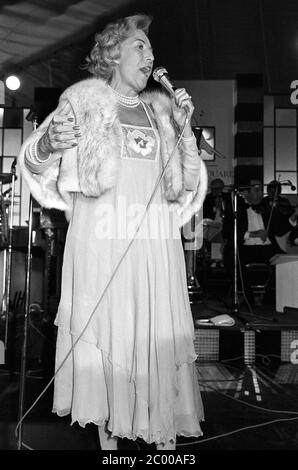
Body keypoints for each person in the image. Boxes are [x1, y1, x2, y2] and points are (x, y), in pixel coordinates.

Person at [18, 14, 208, 450]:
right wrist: (47, 145)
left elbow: (186, 179)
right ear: (113, 53)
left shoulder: (160, 113)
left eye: (151, 49)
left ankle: (163, 440)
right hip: (102, 247)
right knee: (111, 334)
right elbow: (33, 164)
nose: (150, 54)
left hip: (155, 249)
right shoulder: (82, 106)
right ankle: (110, 446)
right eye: (140, 46)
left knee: (155, 336)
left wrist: (183, 129)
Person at [222, 179, 298, 304]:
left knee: (286, 261)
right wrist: (253, 234)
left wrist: (294, 216)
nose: (261, 194)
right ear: (245, 192)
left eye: (260, 190)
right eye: (256, 190)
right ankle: (248, 298)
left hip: (267, 248)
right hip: (245, 248)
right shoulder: (236, 207)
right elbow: (228, 232)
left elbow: (279, 230)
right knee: (232, 260)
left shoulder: (267, 207)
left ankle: (270, 298)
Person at [202, 178, 228, 267]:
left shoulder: (227, 197)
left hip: (225, 223)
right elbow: (205, 215)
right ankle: (216, 259)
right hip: (211, 224)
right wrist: (214, 207)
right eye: (214, 189)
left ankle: (220, 258)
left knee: (222, 231)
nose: (217, 191)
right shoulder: (207, 199)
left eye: (219, 188)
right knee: (216, 230)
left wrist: (221, 206)